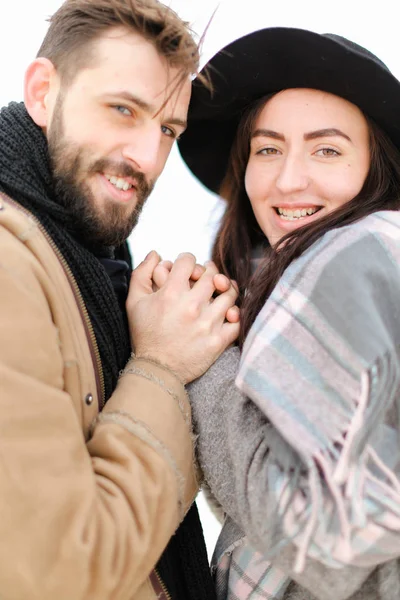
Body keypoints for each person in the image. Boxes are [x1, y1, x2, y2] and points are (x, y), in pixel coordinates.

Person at [0, 1, 240, 599]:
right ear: (42, 91)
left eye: (166, 129)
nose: (146, 156)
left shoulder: (90, 260)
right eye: (122, 110)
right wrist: (160, 367)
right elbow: (62, 572)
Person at [176, 27, 400, 600]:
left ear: (379, 166)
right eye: (268, 148)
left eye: (327, 149)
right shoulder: (281, 286)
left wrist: (199, 358)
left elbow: (322, 538)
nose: (287, 179)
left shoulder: (355, 257)